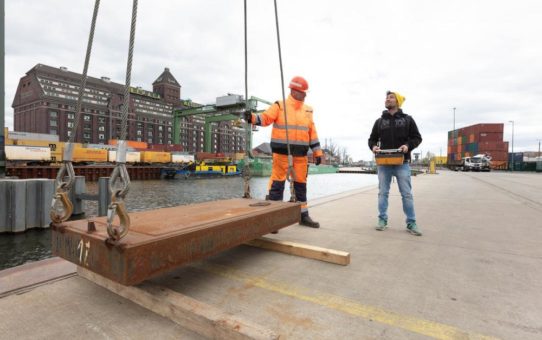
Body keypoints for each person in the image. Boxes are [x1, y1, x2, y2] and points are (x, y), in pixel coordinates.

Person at [245, 76, 323, 228]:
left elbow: (312, 132)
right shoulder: (279, 106)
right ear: (294, 91)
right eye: (303, 92)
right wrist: (252, 118)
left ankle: (303, 215)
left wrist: (317, 152)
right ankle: (274, 220)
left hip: (300, 156)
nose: (305, 94)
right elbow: (266, 118)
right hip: (281, 155)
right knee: (277, 185)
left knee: (301, 186)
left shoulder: (308, 110)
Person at [368, 91, 423, 236]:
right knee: (382, 193)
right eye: (386, 97)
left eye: (391, 97)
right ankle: (382, 220)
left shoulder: (408, 120)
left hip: (402, 162)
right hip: (383, 163)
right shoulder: (379, 122)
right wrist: (374, 147)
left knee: (406, 194)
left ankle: (411, 222)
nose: (387, 99)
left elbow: (417, 138)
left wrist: (408, 146)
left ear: (397, 102)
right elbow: (371, 139)